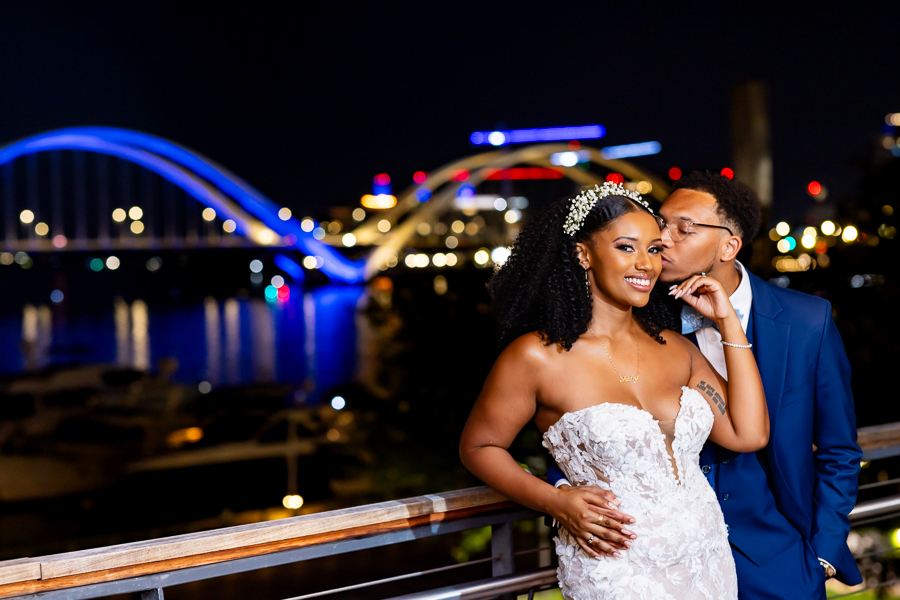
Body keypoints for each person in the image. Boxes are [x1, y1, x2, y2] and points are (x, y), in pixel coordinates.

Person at [546, 171, 863, 599]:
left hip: (780, 560)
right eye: (662, 223)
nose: (664, 238)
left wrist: (822, 555)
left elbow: (839, 449)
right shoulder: (634, 312)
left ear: (729, 245)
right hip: (657, 565)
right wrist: (564, 490)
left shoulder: (808, 321)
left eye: (684, 228)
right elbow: (572, 419)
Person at [459, 182, 770, 600]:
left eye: (655, 250)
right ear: (583, 253)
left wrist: (727, 321)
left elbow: (749, 434)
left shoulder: (677, 349)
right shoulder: (537, 356)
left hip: (706, 559)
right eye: (627, 247)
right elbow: (479, 447)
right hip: (616, 568)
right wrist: (555, 501)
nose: (646, 264)